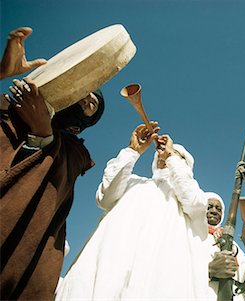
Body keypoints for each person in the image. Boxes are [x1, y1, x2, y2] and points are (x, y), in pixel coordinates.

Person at [0, 27, 105, 300]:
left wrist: (43, 134)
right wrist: (2, 73)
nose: (86, 98)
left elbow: (52, 190)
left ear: (79, 128)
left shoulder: (74, 154)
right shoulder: (7, 113)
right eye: (83, 91)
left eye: (91, 104)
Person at [56, 131, 210, 300]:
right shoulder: (134, 183)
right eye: (162, 152)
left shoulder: (193, 199)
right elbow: (105, 197)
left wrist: (172, 156)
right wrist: (132, 151)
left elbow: (193, 200)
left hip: (160, 277)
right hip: (111, 269)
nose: (165, 154)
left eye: (175, 155)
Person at [205, 192, 245, 300]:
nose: (214, 211)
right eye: (209, 207)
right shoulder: (190, 235)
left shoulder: (233, 245)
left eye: (218, 209)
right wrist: (209, 271)